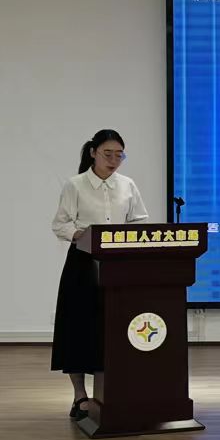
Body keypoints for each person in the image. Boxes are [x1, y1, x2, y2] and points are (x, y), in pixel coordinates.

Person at [50, 130, 148, 419]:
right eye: (108, 154)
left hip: (119, 265)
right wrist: (81, 234)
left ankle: (116, 390)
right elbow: (60, 224)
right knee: (78, 328)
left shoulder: (128, 185)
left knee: (116, 327)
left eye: (119, 155)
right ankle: (80, 396)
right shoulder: (75, 184)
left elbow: (139, 220)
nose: (114, 160)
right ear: (93, 152)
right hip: (83, 264)